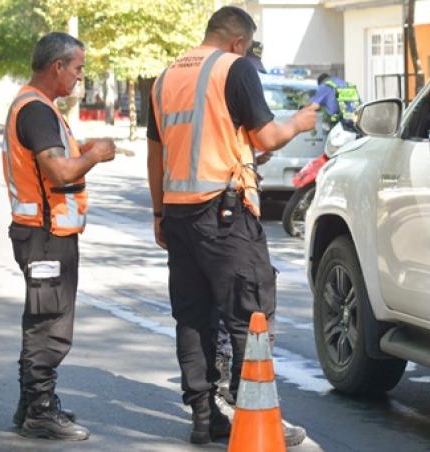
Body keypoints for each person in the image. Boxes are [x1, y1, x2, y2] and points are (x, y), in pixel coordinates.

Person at [146, 6, 317, 446]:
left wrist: (159, 212)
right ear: (239, 42)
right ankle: (255, 416)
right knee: (251, 315)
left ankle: (204, 418)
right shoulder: (235, 68)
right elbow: (266, 136)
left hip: (180, 214)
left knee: (193, 317)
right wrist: (298, 122)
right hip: (225, 216)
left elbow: (158, 154)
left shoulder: (167, 77)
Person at [2, 32, 116, 441]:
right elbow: (59, 172)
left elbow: (54, 162)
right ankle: (39, 411)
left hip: (44, 232)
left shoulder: (38, 106)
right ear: (57, 67)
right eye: (78, 69)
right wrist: (94, 156)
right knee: (48, 324)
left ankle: (31, 404)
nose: (80, 78)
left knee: (42, 317)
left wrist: (79, 150)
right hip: (45, 236)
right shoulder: (35, 110)